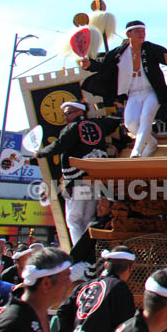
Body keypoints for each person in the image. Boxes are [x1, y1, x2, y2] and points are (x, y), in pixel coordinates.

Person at [33, 100, 121, 244]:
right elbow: (114, 121)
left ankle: (78, 251)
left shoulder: (72, 128)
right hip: (94, 179)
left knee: (73, 219)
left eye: (68, 113)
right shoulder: (99, 124)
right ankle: (88, 250)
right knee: (88, 218)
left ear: (80, 111)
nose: (65, 117)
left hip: (78, 180)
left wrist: (40, 153)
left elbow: (59, 146)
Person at [82, 20, 167, 157]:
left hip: (151, 91)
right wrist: (90, 65)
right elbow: (105, 68)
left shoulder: (151, 49)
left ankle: (137, 151)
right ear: (128, 34)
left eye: (143, 31)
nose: (142, 34)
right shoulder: (118, 54)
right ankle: (151, 143)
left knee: (146, 117)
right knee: (131, 123)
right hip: (133, 93)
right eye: (138, 31)